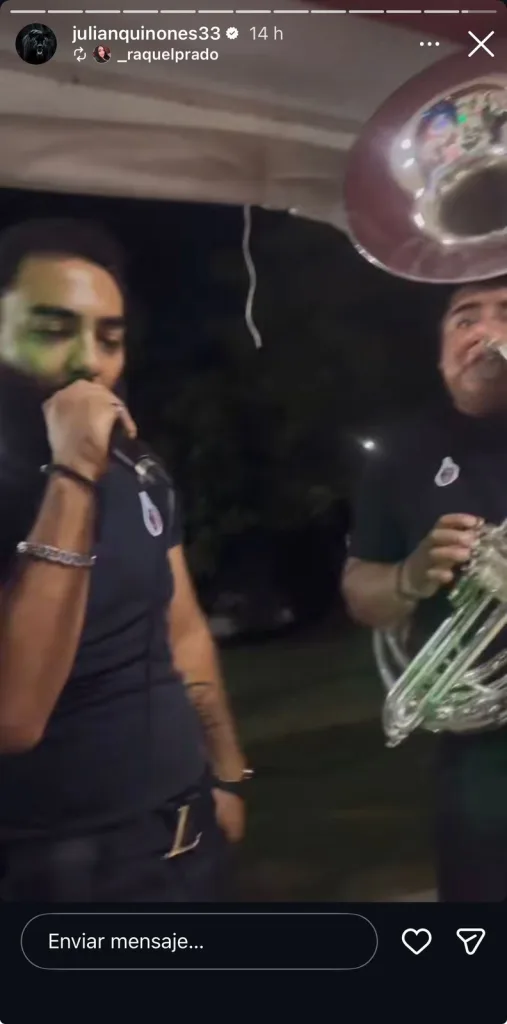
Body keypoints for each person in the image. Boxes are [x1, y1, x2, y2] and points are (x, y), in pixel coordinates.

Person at [0, 217, 250, 902]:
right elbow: (13, 716)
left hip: (182, 825)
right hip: (59, 862)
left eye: (109, 339)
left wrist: (227, 772)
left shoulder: (138, 469)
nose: (89, 361)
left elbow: (183, 630)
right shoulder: (53, 474)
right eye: (52, 330)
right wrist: (72, 471)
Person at [342, 274, 507, 902]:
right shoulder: (401, 455)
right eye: (465, 318)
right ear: (442, 355)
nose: (485, 332)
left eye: (505, 313)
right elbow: (360, 592)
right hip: (479, 763)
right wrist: (409, 576)